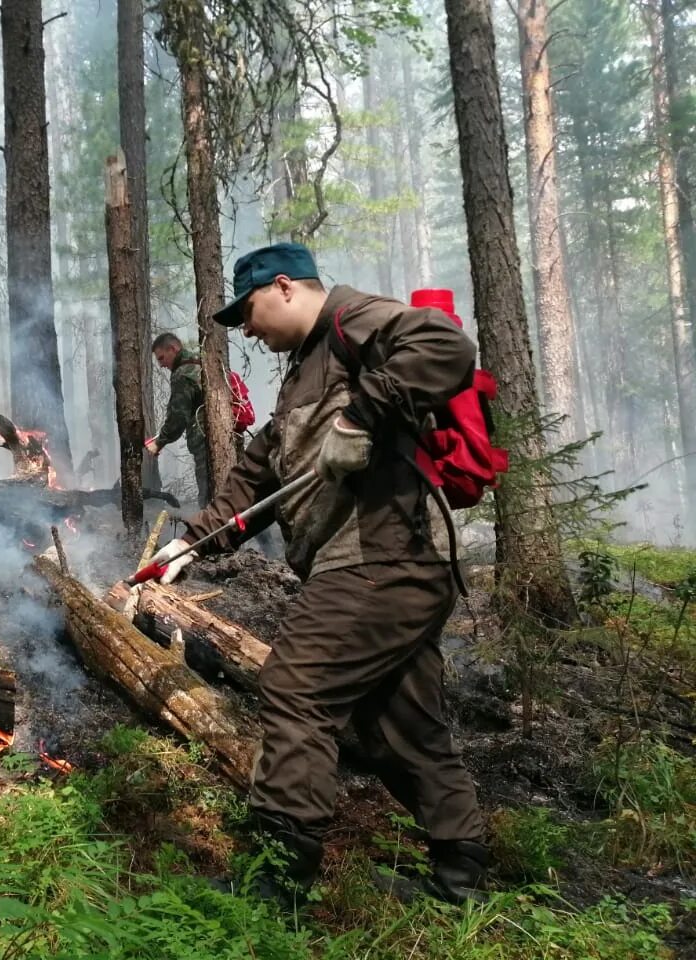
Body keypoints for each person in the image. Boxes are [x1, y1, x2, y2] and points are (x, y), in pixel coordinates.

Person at [146, 242, 487, 906]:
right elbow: (260, 471)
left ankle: (280, 874)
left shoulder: (353, 319)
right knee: (400, 726)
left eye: (246, 314)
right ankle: (460, 873)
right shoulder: (305, 370)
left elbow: (447, 346)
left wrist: (363, 414)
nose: (245, 330)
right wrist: (191, 542)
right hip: (382, 568)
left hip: (380, 563)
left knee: (295, 687)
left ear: (283, 288)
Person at [146, 332, 210, 503]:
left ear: (173, 349)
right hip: (227, 439)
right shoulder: (201, 360)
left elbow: (178, 417)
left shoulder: (182, 374)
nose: (161, 365)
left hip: (207, 443)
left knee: (209, 496)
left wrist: (159, 442)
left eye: (161, 358)